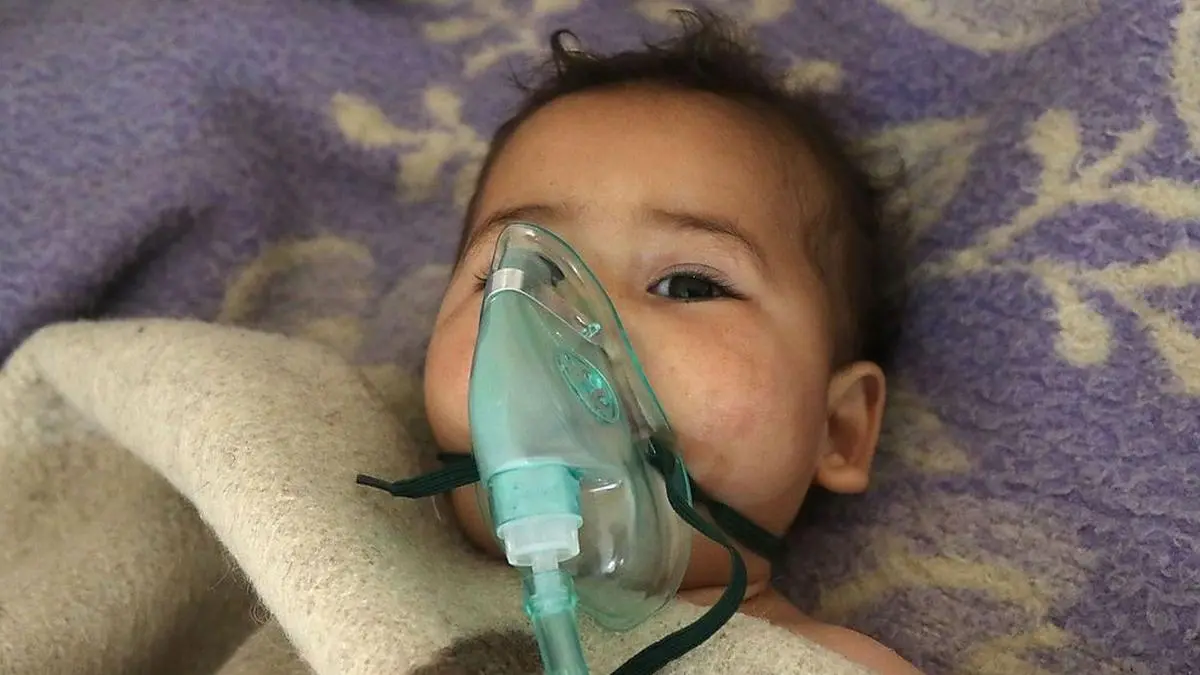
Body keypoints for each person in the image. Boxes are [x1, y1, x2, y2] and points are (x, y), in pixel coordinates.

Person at [420, 9, 917, 674]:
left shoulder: (827, 666)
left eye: (688, 285)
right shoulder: (353, 549)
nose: (571, 329)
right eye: (515, 280)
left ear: (838, 428)